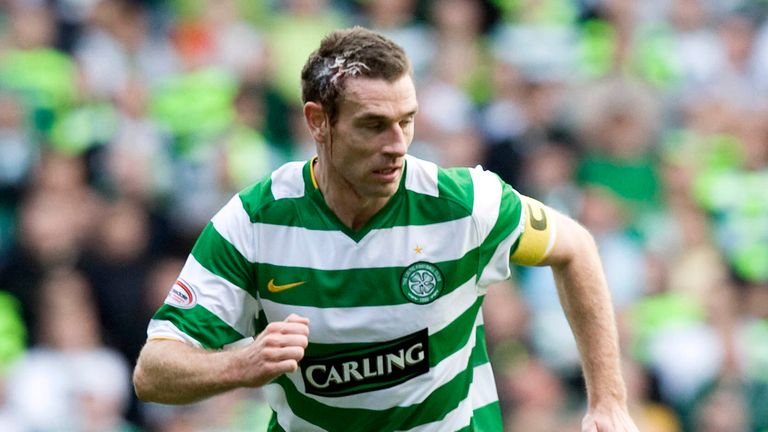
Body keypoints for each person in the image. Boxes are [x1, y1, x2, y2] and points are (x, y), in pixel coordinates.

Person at [133, 26, 639, 432]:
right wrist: (240, 365)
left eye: (407, 121)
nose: (397, 145)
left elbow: (575, 247)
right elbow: (153, 372)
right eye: (374, 125)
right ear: (318, 121)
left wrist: (609, 402)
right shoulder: (254, 222)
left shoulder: (462, 205)